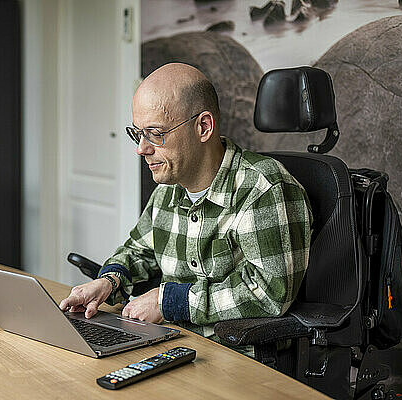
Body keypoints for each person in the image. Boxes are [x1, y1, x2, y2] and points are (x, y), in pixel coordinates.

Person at [59, 63, 313, 349]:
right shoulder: (168, 189)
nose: (141, 149)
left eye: (155, 133)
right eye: (138, 134)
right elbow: (139, 251)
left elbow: (268, 293)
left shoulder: (263, 187)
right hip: (168, 341)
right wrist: (108, 282)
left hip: (235, 360)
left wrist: (168, 302)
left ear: (203, 127)